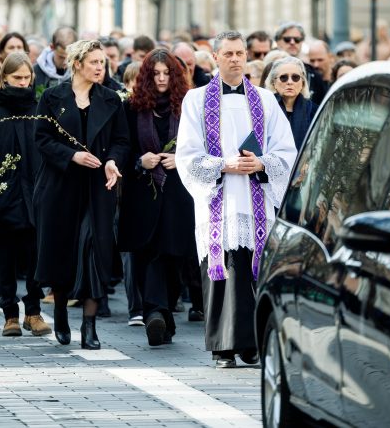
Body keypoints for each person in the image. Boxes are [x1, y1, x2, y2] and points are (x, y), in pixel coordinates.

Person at [176, 31, 297, 368]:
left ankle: (252, 344)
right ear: (215, 57)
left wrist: (261, 163)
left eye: (240, 53)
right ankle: (222, 347)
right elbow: (187, 152)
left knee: (251, 271)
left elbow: (286, 150)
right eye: (228, 53)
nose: (235, 59)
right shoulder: (196, 100)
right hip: (219, 196)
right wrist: (223, 165)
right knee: (221, 271)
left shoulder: (265, 100)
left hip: (254, 193)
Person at [33, 39, 129, 350]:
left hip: (97, 188)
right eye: (94, 63)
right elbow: (42, 139)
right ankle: (60, 311)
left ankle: (90, 327)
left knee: (93, 250)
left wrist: (112, 161)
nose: (101, 68)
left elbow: (121, 141)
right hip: (61, 186)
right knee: (62, 250)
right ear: (77, 64)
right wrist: (71, 156)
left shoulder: (111, 99)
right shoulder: (52, 97)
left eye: (103, 63)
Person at [119, 49, 197, 346]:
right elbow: (122, 148)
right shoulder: (132, 108)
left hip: (178, 193)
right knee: (148, 253)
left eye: (167, 73)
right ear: (147, 77)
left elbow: (202, 148)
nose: (162, 79)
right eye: (156, 74)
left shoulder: (188, 108)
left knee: (174, 256)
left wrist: (181, 160)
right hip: (144, 192)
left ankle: (164, 315)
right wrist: (141, 161)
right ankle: (154, 312)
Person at [0, 52, 51, 337]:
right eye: (17, 77)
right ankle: (9, 315)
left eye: (27, 78)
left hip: (36, 193)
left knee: (35, 256)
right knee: (4, 257)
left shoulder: (40, 109)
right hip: (2, 196)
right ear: (3, 78)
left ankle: (33, 311)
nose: (22, 83)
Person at [267, 56, 316, 152]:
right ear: (274, 83)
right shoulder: (265, 109)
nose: (290, 82)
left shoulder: (314, 111)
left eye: (295, 77)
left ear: (302, 83)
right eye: (284, 78)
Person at [274, 22, 327, 105]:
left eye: (297, 39)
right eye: (287, 39)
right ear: (277, 42)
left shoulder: (312, 74)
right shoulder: (267, 68)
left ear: (302, 42)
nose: (292, 42)